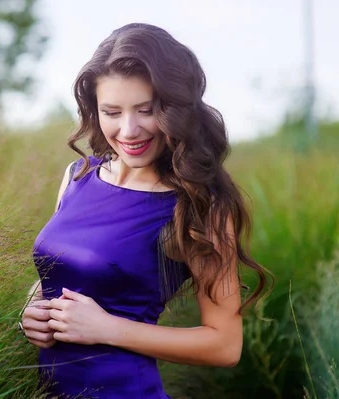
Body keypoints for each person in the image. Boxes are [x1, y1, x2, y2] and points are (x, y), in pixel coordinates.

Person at [19, 23, 273, 399]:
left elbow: (225, 345)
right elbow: (61, 274)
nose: (129, 130)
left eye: (145, 110)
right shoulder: (78, 176)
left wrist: (106, 329)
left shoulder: (199, 205)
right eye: (112, 111)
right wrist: (30, 311)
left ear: (174, 110)